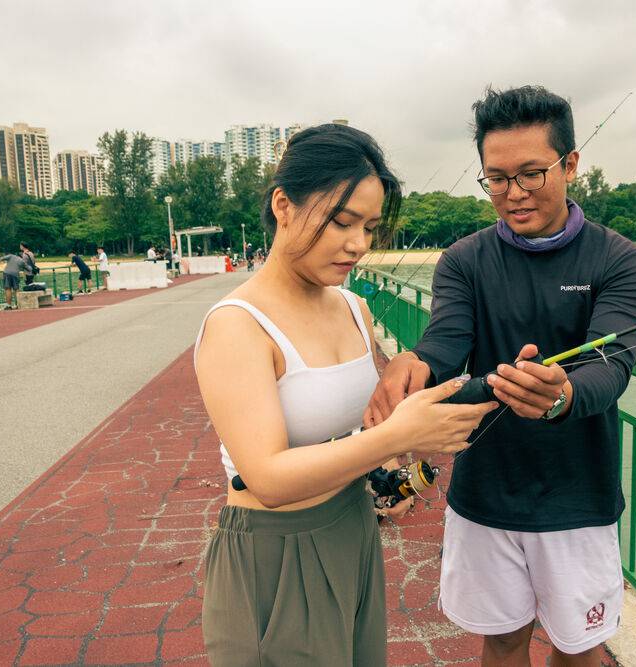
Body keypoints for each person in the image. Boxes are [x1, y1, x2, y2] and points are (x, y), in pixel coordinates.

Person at [364, 85, 636, 666]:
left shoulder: (620, 261)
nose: (513, 194)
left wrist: (562, 394)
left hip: (580, 495)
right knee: (500, 641)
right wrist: (414, 364)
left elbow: (611, 367)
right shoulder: (464, 260)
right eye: (496, 178)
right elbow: (447, 342)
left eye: (531, 174)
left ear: (570, 164)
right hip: (485, 491)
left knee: (580, 648)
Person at [193, 123, 497, 667]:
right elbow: (267, 478)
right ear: (283, 205)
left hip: (353, 528)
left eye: (371, 226)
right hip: (274, 550)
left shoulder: (352, 307)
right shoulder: (238, 325)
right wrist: (395, 438)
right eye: (341, 220)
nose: (358, 244)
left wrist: (398, 428)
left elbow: (355, 431)